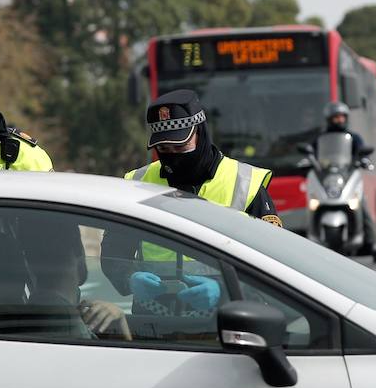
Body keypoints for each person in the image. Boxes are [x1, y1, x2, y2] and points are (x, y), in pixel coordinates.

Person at [103, 90, 281, 318]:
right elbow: (113, 251)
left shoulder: (245, 183)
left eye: (180, 147)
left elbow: (274, 267)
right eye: (164, 150)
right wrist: (129, 277)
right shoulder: (137, 183)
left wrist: (225, 291)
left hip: (224, 319)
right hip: (153, 320)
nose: (173, 156)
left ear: (201, 132)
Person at [322, 102, 376, 263]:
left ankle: (374, 246)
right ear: (329, 119)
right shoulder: (321, 139)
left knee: (362, 207)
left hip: (349, 180)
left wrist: (363, 160)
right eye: (336, 117)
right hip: (329, 181)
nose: (340, 120)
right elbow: (312, 154)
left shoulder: (354, 138)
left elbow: (363, 153)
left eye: (342, 116)